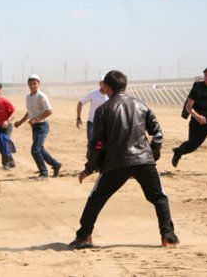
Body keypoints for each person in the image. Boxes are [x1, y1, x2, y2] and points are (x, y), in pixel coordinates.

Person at [69, 70, 179, 249]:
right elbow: (158, 133)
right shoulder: (141, 105)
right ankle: (168, 237)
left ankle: (84, 237)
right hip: (144, 161)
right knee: (159, 197)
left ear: (106, 86)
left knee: (96, 197)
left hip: (116, 163)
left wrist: (90, 168)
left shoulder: (103, 110)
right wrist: (152, 154)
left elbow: (96, 144)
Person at [14, 74, 62, 180]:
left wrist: (36, 119)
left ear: (38, 84)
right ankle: (56, 164)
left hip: (42, 126)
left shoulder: (41, 96)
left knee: (35, 150)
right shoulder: (28, 97)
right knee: (40, 149)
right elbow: (29, 112)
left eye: (34, 84)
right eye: (30, 84)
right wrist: (21, 121)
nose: (32, 86)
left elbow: (49, 111)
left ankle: (44, 173)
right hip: (35, 127)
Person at [0, 82, 17, 170]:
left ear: (1, 90)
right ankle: (10, 159)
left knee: (3, 141)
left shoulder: (5, 101)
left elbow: (14, 112)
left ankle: (6, 163)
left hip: (7, 126)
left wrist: (7, 121)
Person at [76, 80, 109, 156]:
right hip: (92, 123)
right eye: (102, 83)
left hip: (105, 124)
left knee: (103, 144)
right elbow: (80, 103)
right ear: (99, 84)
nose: (104, 85)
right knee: (91, 143)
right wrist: (78, 118)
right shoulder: (93, 94)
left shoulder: (110, 95)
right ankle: (90, 164)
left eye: (105, 83)